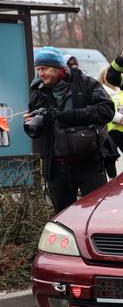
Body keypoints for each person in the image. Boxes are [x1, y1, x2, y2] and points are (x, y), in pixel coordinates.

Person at [25, 46, 114, 213]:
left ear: (59, 68)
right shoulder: (38, 92)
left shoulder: (87, 84)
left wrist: (70, 116)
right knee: (63, 218)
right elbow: (39, 132)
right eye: (38, 70)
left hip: (90, 163)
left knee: (96, 214)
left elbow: (107, 110)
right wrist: (34, 122)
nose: (41, 74)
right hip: (57, 168)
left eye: (44, 69)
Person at [99, 67, 123, 156]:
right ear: (103, 77)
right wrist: (119, 118)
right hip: (108, 132)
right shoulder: (100, 91)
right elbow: (102, 109)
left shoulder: (122, 90)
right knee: (110, 159)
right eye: (108, 74)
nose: (112, 76)